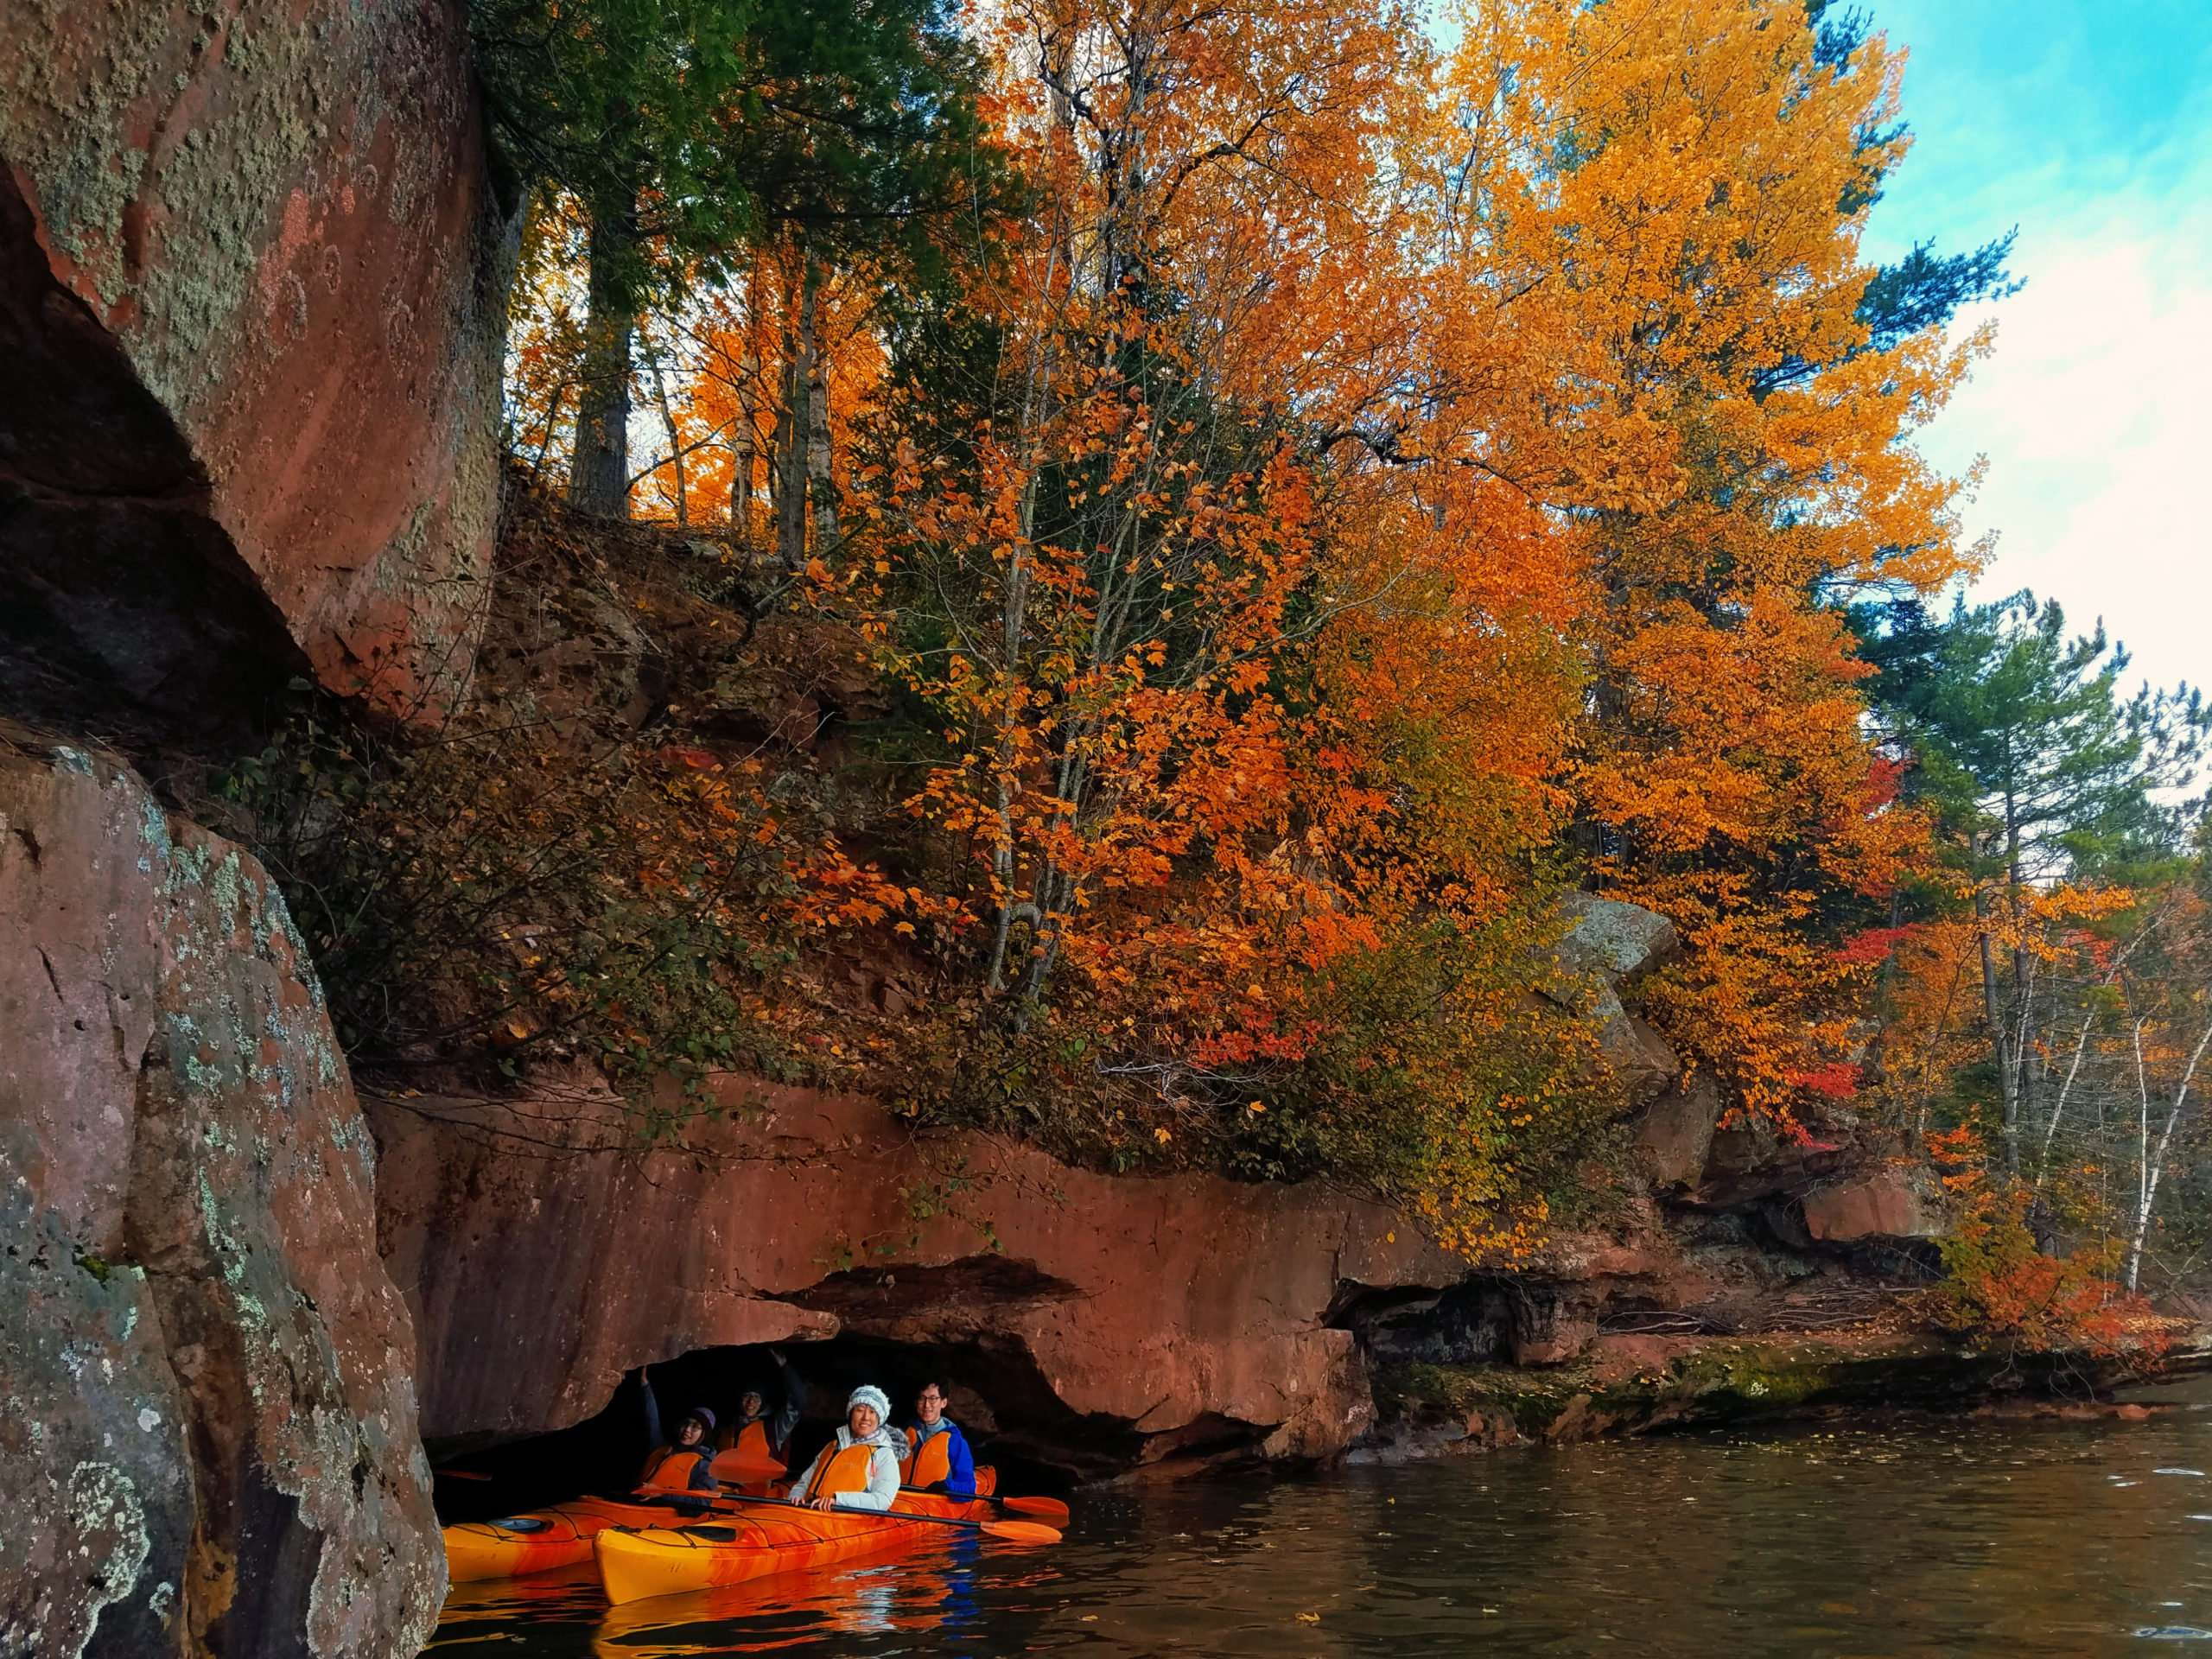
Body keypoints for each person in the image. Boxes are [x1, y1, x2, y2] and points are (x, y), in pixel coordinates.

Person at [791, 1385, 903, 1512]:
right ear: (851, 1413)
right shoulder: (832, 1446)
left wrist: (838, 1500)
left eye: (872, 1412)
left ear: (879, 1419)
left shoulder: (884, 1454)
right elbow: (805, 1482)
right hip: (811, 1514)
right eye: (860, 1410)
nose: (866, 1417)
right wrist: (796, 1496)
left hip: (847, 1521)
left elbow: (882, 1500)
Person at [636, 1365, 720, 1499]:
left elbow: (701, 1505)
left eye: (695, 1427)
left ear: (704, 1434)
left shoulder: (706, 1466)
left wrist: (662, 1493)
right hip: (637, 1508)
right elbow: (651, 1420)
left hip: (666, 1516)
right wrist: (644, 1385)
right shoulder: (663, 1448)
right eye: (686, 1423)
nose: (687, 1430)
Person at [716, 1346, 808, 1468]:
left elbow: (798, 1402)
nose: (751, 1402)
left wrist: (785, 1367)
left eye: (756, 1397)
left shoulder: (773, 1428)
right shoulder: (725, 1428)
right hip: (725, 1485)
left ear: (763, 1402)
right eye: (747, 1396)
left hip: (761, 1486)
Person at [899, 1379, 976, 1498]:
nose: (926, 1405)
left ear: (943, 1403)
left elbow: (969, 1489)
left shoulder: (955, 1441)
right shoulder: (905, 1434)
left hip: (932, 1504)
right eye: (922, 1399)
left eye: (933, 1399)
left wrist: (946, 1486)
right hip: (901, 1500)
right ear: (916, 1403)